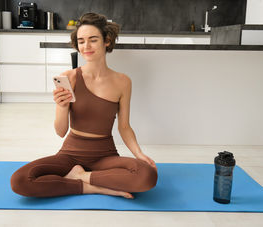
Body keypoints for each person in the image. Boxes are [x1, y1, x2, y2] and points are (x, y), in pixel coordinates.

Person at [11, 12, 158, 199]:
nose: (86, 46)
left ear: (107, 41)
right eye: (81, 41)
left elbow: (124, 126)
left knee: (147, 175)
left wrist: (139, 153)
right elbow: (60, 131)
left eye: (93, 40)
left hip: (105, 155)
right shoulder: (70, 77)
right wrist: (63, 107)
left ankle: (80, 177)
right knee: (20, 180)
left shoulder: (123, 82)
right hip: (70, 155)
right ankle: (92, 186)